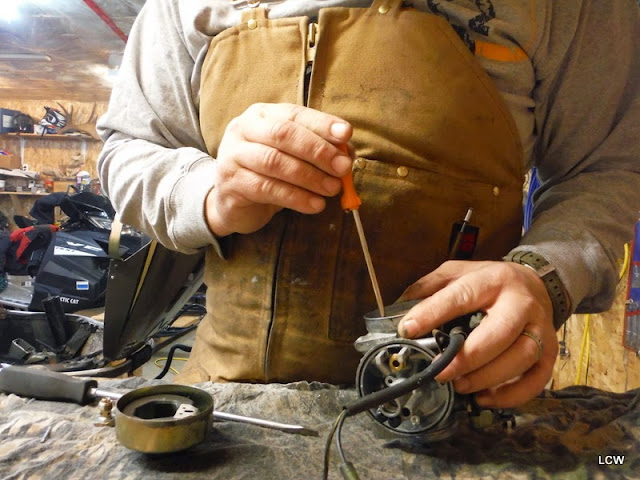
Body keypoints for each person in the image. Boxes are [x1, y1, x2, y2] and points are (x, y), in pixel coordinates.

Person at [97, 0, 640, 409]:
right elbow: (129, 147)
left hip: (447, 403)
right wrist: (211, 191)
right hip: (227, 406)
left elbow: (604, 167)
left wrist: (542, 276)